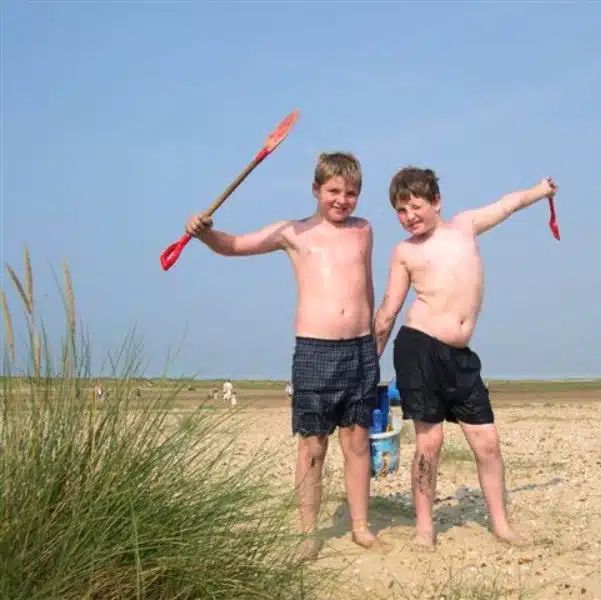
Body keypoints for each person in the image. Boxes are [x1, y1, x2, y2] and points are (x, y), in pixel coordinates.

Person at [185, 152, 381, 559]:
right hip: (314, 349)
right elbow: (235, 246)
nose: (342, 200)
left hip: (360, 348)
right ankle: (308, 534)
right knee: (312, 444)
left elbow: (366, 288)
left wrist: (374, 339)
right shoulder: (293, 232)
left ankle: (360, 525)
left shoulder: (364, 230)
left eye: (351, 193)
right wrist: (205, 234)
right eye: (333, 191)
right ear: (315, 190)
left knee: (357, 440)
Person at [372, 166, 558, 551]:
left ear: (436, 201)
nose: (409, 217)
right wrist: (369, 359)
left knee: (487, 442)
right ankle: (425, 528)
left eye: (416, 207)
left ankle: (501, 523)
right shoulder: (405, 251)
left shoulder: (465, 226)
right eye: (401, 211)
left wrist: (540, 191)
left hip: (459, 356)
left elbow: (508, 204)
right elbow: (389, 309)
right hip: (418, 348)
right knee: (430, 443)